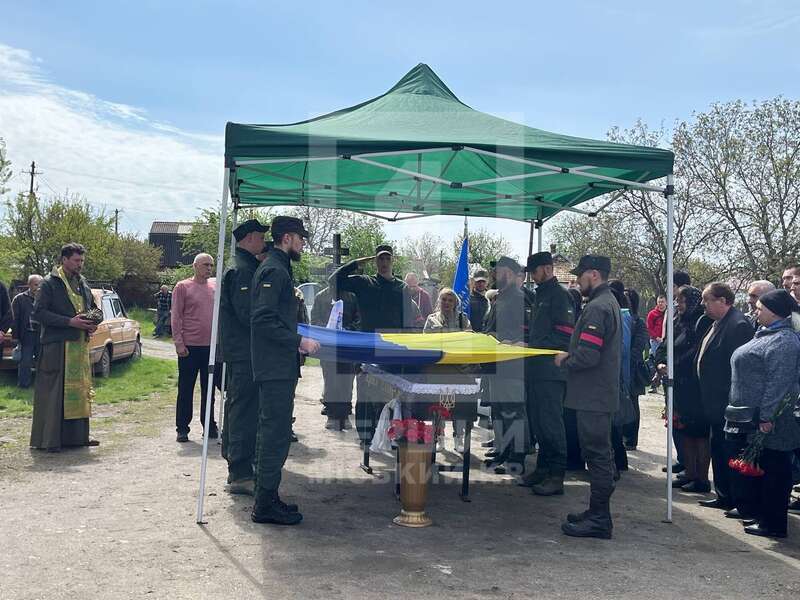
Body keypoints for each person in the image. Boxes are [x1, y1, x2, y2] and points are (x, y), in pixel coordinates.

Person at [250, 216, 320, 525]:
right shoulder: (274, 270)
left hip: (279, 365)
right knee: (274, 434)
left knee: (275, 432)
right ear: (287, 238)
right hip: (274, 367)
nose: (303, 244)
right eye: (300, 238)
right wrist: (298, 341)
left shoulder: (279, 267)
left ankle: (268, 496)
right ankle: (264, 505)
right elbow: (263, 319)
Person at [555, 255, 621, 539]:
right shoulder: (607, 301)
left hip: (593, 395)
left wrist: (565, 360)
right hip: (597, 393)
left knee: (597, 456)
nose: (577, 280)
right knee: (599, 454)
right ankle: (597, 512)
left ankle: (600, 518)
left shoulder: (597, 307)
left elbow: (588, 355)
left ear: (593, 274)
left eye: (580, 275)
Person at [726, 289, 800, 538]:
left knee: (775, 472)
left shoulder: (784, 341)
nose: (755, 312)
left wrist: (767, 416)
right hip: (755, 416)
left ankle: (773, 523)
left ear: (775, 311)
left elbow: (779, 382)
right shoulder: (767, 334)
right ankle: (761, 515)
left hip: (773, 421)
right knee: (765, 470)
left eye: (760, 308)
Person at [330, 244, 417, 444]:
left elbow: (407, 322)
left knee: (391, 393)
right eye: (380, 259)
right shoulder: (364, 282)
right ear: (375, 261)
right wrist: (356, 263)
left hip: (393, 348)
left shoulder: (402, 288)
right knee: (365, 392)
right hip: (368, 348)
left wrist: (407, 350)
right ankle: (365, 436)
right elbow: (334, 280)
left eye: (387, 259)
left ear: (393, 260)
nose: (384, 263)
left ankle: (389, 434)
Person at [30, 243, 100, 452]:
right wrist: (70, 322)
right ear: (64, 259)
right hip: (57, 347)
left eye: (82, 261)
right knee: (55, 393)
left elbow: (93, 309)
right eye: (77, 260)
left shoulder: (82, 282)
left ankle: (78, 437)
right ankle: (50, 440)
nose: (80, 264)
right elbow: (38, 313)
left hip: (78, 346)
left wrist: (92, 322)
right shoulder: (49, 283)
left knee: (79, 392)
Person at [518, 251, 575, 495]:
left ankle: (556, 475)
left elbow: (565, 334)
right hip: (536, 369)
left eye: (534, 271)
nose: (532, 275)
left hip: (552, 370)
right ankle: (542, 469)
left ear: (547, 269)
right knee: (539, 423)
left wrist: (533, 346)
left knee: (551, 423)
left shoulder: (560, 295)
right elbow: (537, 330)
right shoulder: (540, 294)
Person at [219, 218, 269, 495]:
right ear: (249, 238)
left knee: (240, 406)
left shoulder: (244, 265)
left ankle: (237, 462)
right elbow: (247, 313)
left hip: (242, 350)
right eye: (260, 237)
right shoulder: (242, 269)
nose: (263, 242)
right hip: (244, 351)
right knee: (244, 410)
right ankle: (239, 472)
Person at [696, 282, 755, 511]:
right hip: (713, 402)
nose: (703, 304)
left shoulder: (738, 325)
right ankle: (723, 495)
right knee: (718, 449)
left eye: (707, 300)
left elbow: (739, 369)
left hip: (726, 402)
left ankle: (736, 498)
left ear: (722, 301)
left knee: (728, 450)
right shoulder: (717, 322)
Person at [656, 286, 712, 493]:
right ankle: (689, 472)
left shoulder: (702, 322)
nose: (678, 305)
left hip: (695, 387)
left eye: (681, 301)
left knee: (699, 434)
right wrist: (660, 362)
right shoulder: (676, 321)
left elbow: (697, 352)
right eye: (676, 301)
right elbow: (664, 346)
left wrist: (674, 365)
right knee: (683, 431)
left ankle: (701, 478)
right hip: (677, 385)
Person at [483, 256, 528, 475]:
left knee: (513, 413)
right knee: (499, 411)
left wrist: (498, 338)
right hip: (497, 364)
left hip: (511, 366)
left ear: (508, 273)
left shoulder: (518, 298)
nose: (494, 274)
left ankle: (516, 458)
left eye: (498, 271)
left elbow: (522, 333)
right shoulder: (501, 297)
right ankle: (503, 450)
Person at [172, 253, 218, 443]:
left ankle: (209, 425)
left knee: (209, 389)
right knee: (186, 389)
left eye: (211, 265)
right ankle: (182, 428)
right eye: (205, 265)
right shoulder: (183, 287)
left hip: (211, 347)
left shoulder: (215, 287)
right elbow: (176, 316)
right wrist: (179, 343)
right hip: (189, 346)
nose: (209, 268)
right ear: (195, 266)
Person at [423, 287, 472, 451]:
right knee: (438, 406)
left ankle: (459, 438)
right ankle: (439, 437)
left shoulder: (463, 319)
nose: (447, 303)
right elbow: (425, 342)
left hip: (458, 370)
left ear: (455, 303)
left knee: (459, 406)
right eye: (444, 299)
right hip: (438, 369)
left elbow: (470, 339)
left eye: (450, 300)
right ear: (439, 301)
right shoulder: (431, 319)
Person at [310, 276, 360, 431]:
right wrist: (328, 329)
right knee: (331, 380)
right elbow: (314, 320)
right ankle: (332, 415)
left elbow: (358, 320)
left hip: (346, 347)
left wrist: (347, 330)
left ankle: (344, 415)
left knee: (346, 381)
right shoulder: (321, 297)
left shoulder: (352, 297)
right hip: (328, 347)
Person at [622, 288, 649, 451]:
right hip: (622, 368)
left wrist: (627, 362)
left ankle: (631, 439)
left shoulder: (639, 323)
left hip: (633, 370)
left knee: (632, 404)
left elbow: (638, 347)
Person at [12, 274, 43, 388]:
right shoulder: (19, 299)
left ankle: (42, 385)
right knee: (25, 362)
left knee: (42, 362)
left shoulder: (45, 298)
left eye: (40, 285)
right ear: (29, 285)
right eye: (36, 285)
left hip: (41, 335)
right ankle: (23, 385)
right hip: (26, 335)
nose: (38, 287)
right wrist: (15, 336)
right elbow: (14, 319)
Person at [469, 268, 490, 333]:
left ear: (487, 282)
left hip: (489, 335)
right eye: (478, 281)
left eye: (483, 281)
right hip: (473, 334)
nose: (481, 284)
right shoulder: (468, 299)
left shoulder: (492, 298)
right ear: (473, 281)